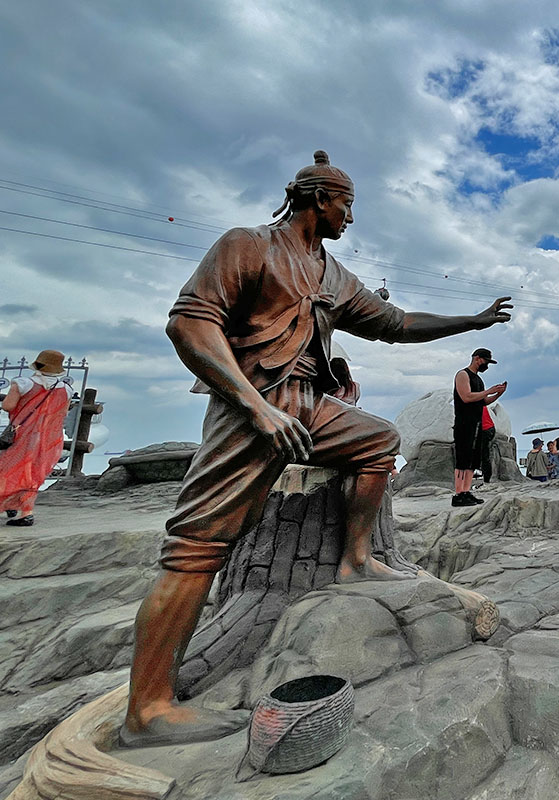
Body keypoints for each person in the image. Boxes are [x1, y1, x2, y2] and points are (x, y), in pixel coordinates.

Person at [123, 150, 512, 747]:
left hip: (310, 403)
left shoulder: (332, 274)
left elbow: (395, 322)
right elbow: (190, 323)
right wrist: (256, 407)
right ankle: (147, 708)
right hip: (249, 405)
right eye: (346, 205)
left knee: (379, 440)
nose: (350, 218)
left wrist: (473, 321)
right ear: (316, 198)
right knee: (196, 547)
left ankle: (355, 561)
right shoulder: (247, 245)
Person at [0, 350, 72, 526]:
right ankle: (21, 507)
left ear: (38, 364)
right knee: (34, 471)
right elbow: (62, 413)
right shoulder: (66, 389)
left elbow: (7, 406)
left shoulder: (23, 383)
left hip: (22, 434)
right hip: (49, 437)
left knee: (10, 468)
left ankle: (19, 508)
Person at [452, 348, 505, 506]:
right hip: (464, 423)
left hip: (477, 423)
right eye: (485, 361)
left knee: (473, 460)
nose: (486, 365)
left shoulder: (479, 380)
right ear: (477, 358)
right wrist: (489, 391)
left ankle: (466, 491)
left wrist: (497, 394)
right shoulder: (463, 374)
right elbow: (466, 397)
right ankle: (458, 494)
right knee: (462, 459)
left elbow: (483, 401)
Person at [476, 404, 496, 484]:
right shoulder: (481, 404)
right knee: (484, 454)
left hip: (485, 430)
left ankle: (486, 478)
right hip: (490, 429)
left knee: (484, 455)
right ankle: (485, 476)